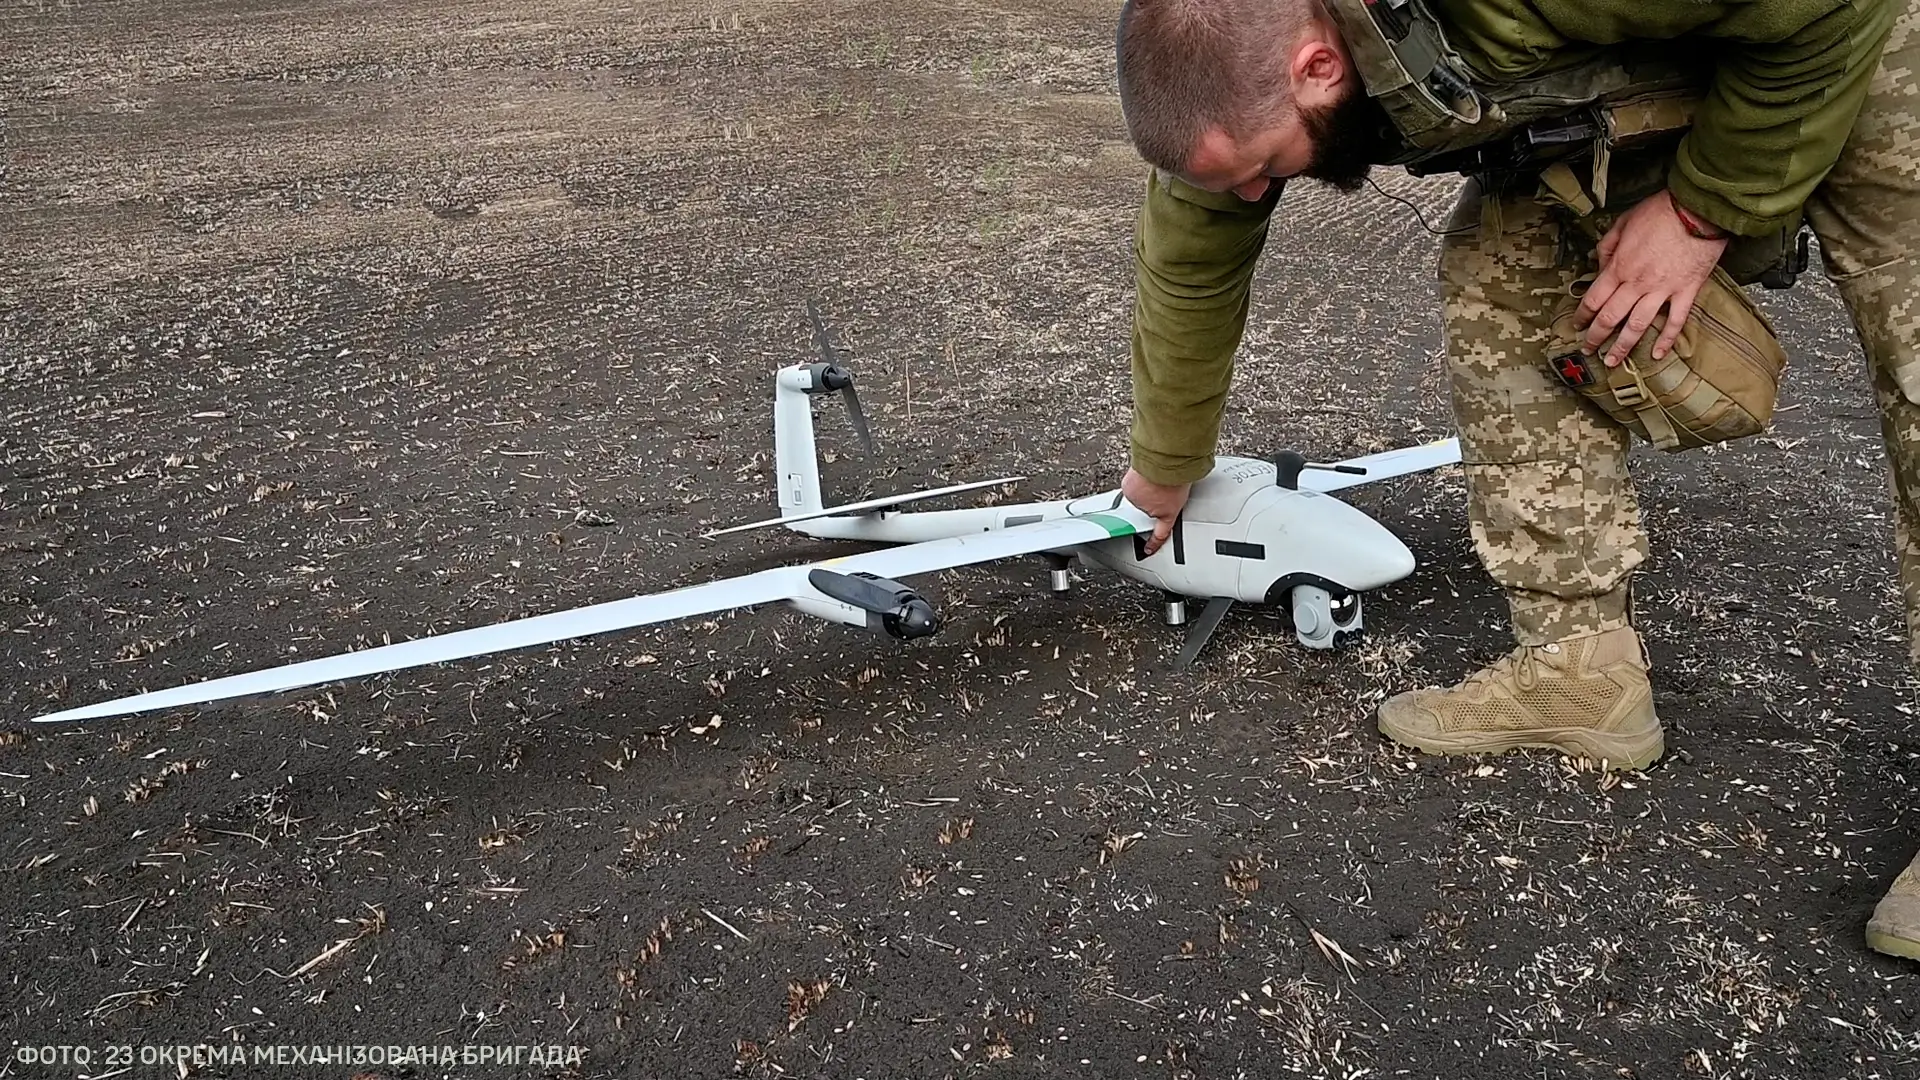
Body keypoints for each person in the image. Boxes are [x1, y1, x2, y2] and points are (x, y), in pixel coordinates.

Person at [1111, 0, 1920, 960]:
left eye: (1262, 167)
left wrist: (1701, 211)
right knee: (1506, 258)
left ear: (1318, 66)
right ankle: (1580, 672)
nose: (1253, 193)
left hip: (1843, 35)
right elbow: (1192, 265)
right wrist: (1164, 470)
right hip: (1648, 56)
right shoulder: (1231, 78)